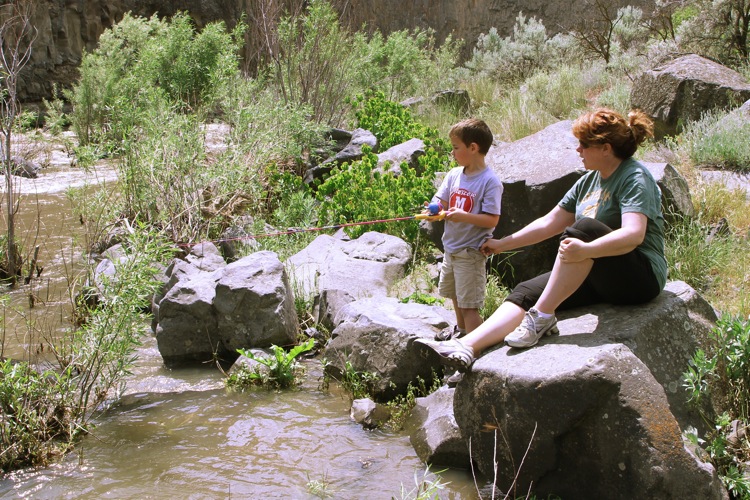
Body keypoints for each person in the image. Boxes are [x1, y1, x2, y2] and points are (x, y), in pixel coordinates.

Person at [415, 108, 667, 373]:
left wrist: (587, 249)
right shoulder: (589, 181)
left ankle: (542, 317)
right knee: (524, 293)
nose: (578, 150)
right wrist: (503, 244)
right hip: (597, 275)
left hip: (640, 278)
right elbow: (550, 222)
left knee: (584, 229)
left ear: (605, 148)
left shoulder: (634, 177)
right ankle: (466, 347)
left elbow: (633, 234)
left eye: (583, 145)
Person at [428, 118, 503, 345]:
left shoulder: (490, 182)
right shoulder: (454, 175)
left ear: (473, 148)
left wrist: (463, 216)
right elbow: (439, 200)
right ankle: (461, 332)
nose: (452, 153)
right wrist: (435, 209)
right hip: (451, 249)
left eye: (455, 147)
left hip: (470, 253)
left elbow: (492, 219)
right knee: (455, 295)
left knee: (469, 306)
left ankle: (473, 350)